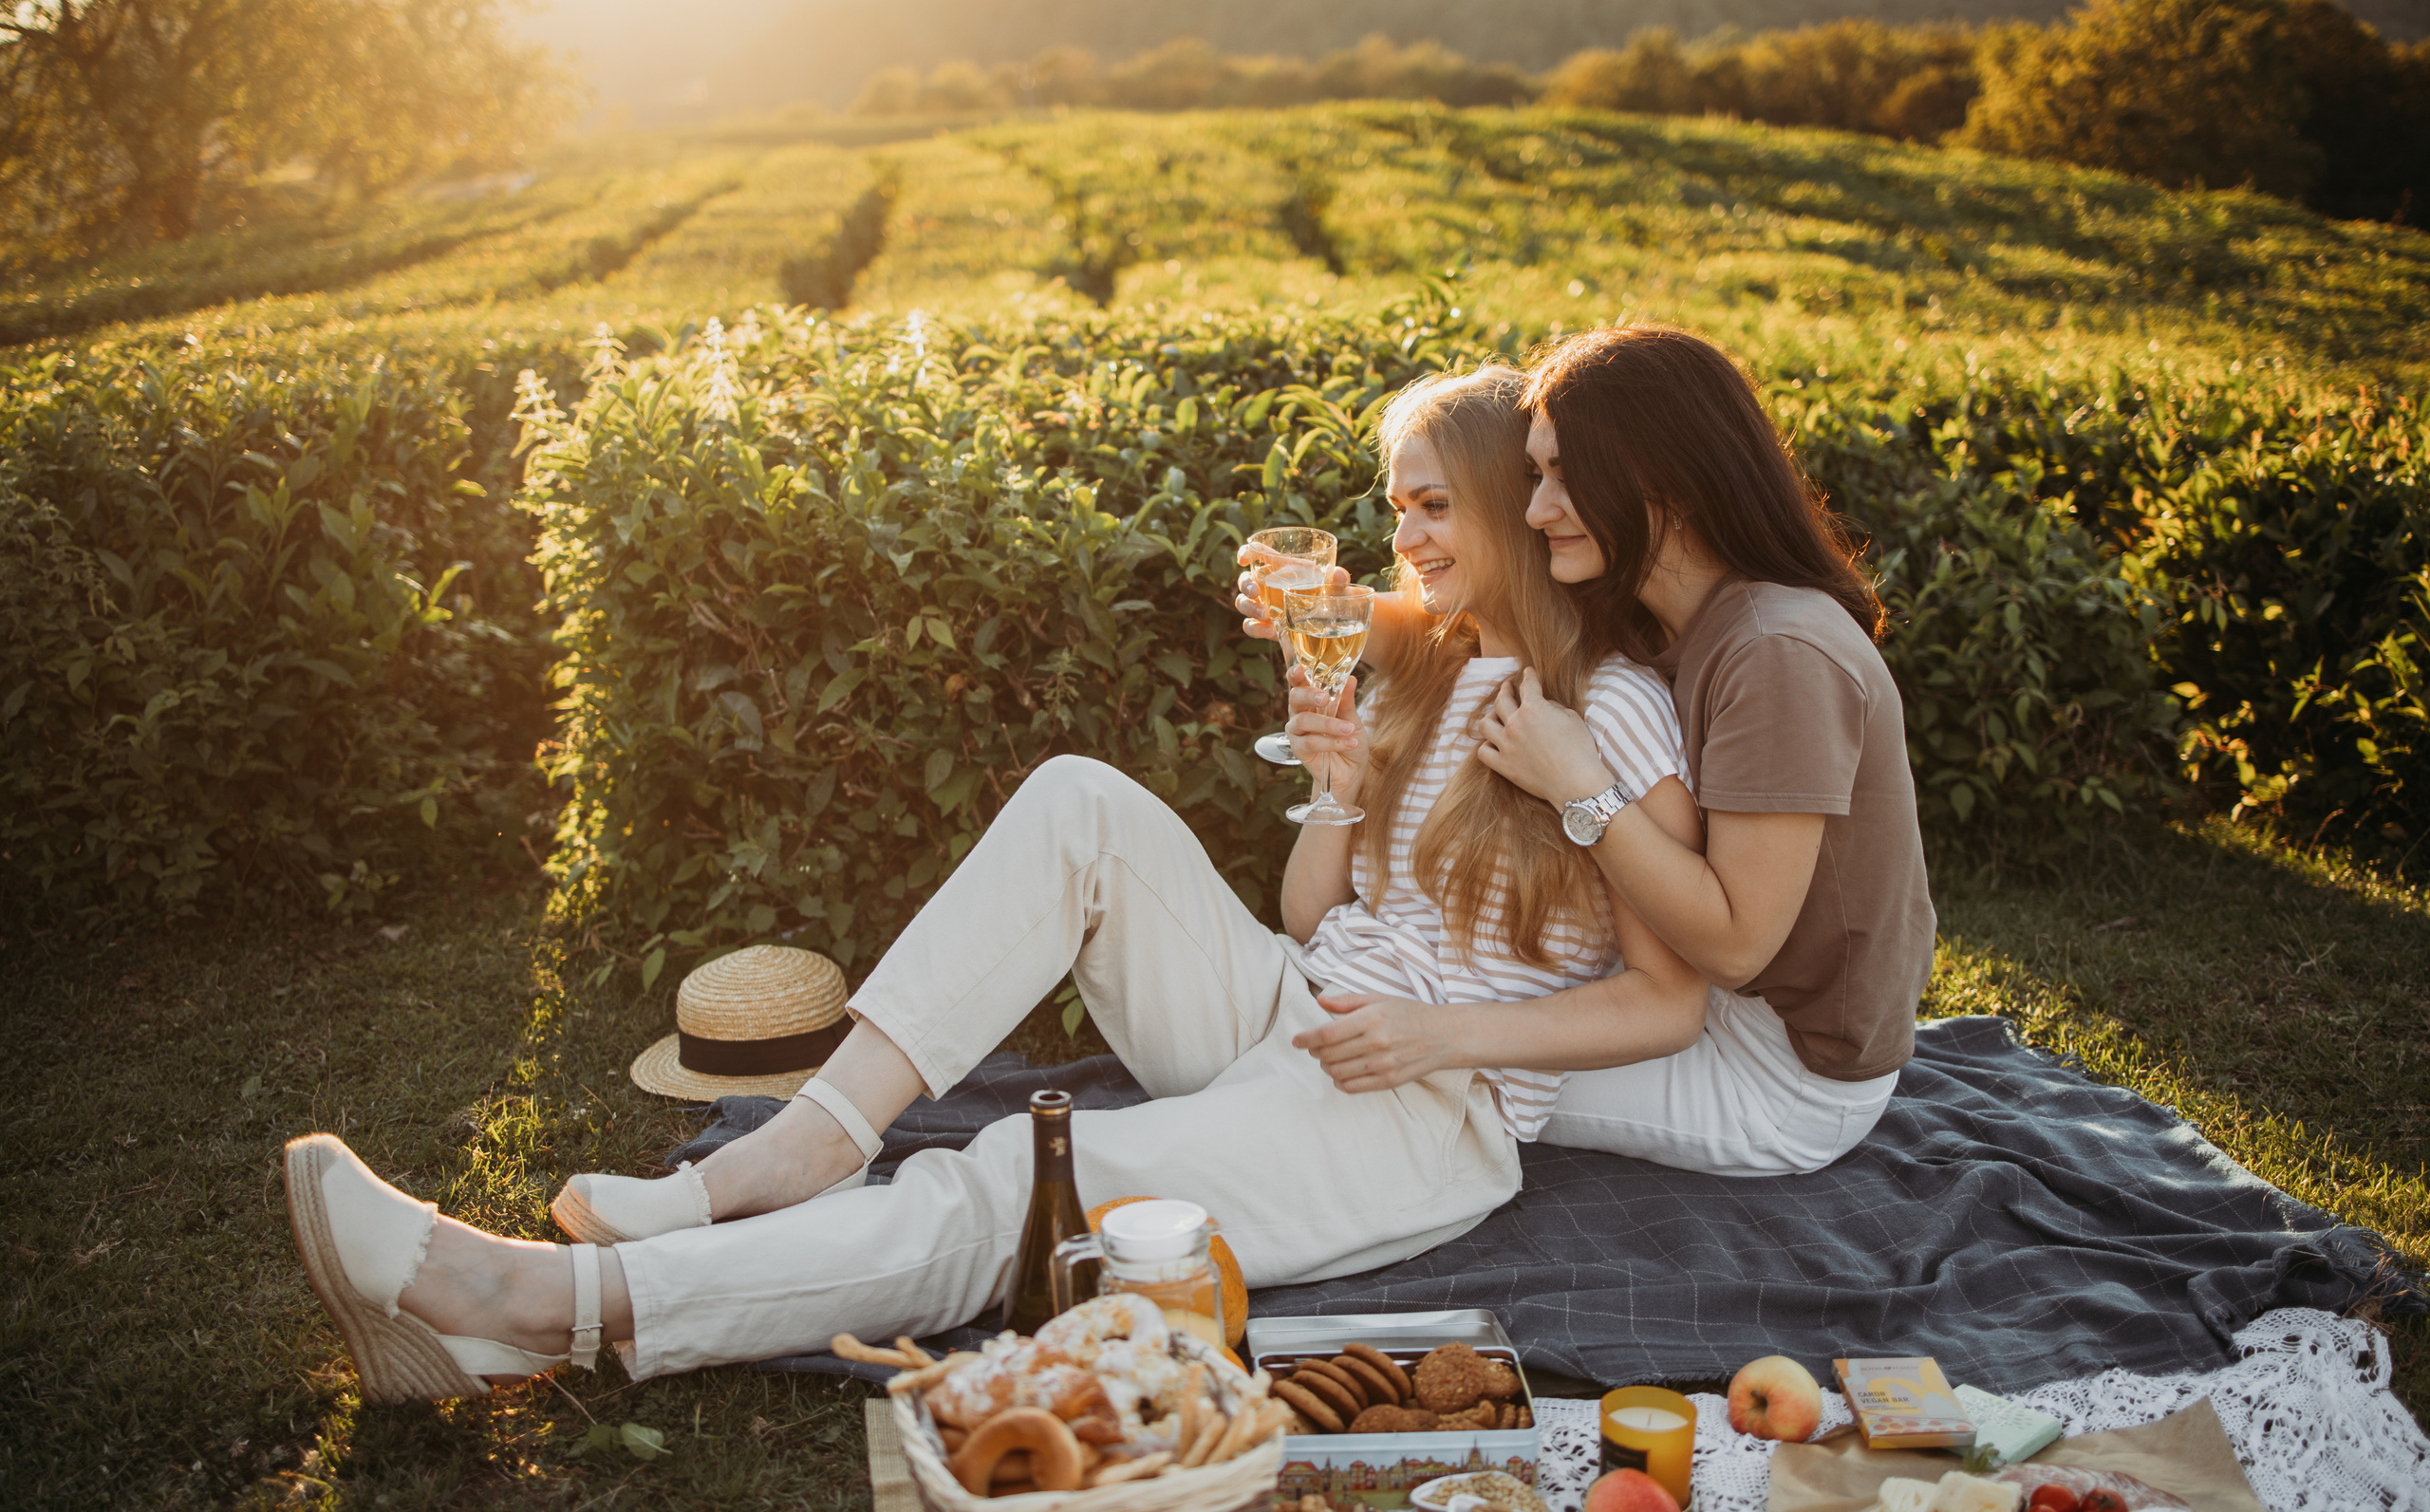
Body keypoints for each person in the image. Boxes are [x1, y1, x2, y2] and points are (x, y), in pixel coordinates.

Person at [282, 364, 1710, 1401]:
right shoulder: (1438, 670)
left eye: (1437, 505)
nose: (1406, 538)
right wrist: (1337, 790)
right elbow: (1308, 919)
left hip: (1420, 1111)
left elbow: (1671, 997)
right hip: (1308, 1005)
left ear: (1521, 515)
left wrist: (1443, 1034)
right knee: (1080, 798)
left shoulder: (1616, 712)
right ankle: (806, 1145)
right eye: (1395, 506)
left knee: (1012, 1189)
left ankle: (536, 1306)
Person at [1472, 323, 1935, 1177]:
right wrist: (1344, 614)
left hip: (1781, 1072)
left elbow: (1734, 945)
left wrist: (1577, 784)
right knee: (1429, 1005)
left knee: (1438, 1066)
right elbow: (1484, 615)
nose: (1536, 510)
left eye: (1565, 479)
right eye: (1537, 475)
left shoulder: (1778, 654)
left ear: (1670, 485)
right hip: (1695, 998)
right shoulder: (1666, 610)